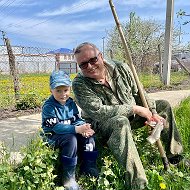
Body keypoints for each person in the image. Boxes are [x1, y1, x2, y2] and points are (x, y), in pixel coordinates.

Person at [72, 42, 189, 190]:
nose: (89, 66)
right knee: (120, 121)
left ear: (100, 56)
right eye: (83, 65)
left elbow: (139, 93)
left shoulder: (121, 68)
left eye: (93, 60)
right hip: (101, 126)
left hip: (131, 118)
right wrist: (136, 109)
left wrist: (152, 113)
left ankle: (175, 157)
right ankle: (138, 183)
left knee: (163, 105)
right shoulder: (79, 84)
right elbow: (99, 112)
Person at [41, 70, 99, 190]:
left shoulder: (70, 103)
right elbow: (56, 127)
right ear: (50, 90)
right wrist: (77, 129)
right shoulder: (49, 107)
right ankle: (68, 177)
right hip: (53, 135)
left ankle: (88, 166)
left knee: (89, 138)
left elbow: (76, 119)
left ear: (70, 89)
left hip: (70, 130)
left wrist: (85, 128)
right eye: (58, 90)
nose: (63, 94)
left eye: (66, 90)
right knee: (71, 139)